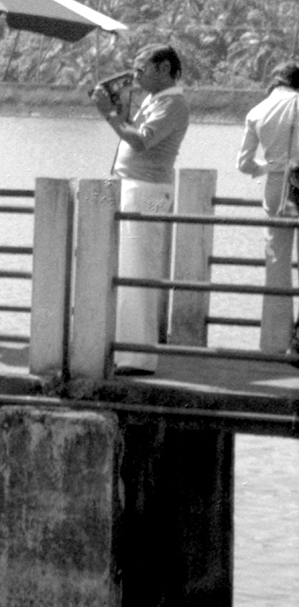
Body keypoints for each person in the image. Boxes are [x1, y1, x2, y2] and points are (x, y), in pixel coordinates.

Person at [92, 43, 190, 376]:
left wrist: (110, 114)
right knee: (124, 269)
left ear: (164, 69)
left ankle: (137, 357)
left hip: (146, 191)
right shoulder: (156, 100)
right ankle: (124, 351)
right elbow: (135, 132)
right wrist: (119, 114)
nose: (136, 75)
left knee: (137, 271)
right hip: (131, 188)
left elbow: (140, 141)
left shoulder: (173, 104)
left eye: (141, 69)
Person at [234, 61, 299, 356]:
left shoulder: (257, 111)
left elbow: (244, 164)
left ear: (275, 82)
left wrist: (271, 166)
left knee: (276, 266)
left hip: (276, 190)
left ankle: (273, 343)